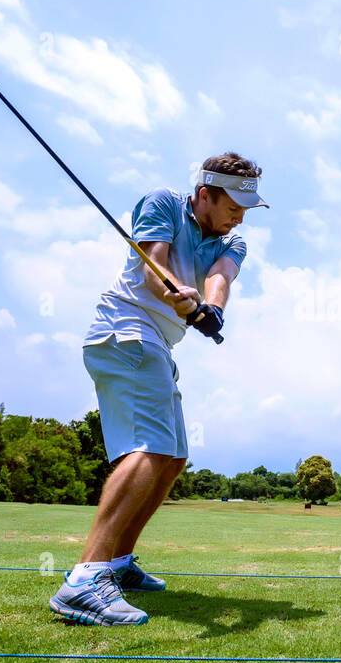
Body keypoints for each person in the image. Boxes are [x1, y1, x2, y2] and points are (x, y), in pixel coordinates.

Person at [48, 152, 267, 625]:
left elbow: (218, 279)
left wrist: (210, 309)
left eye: (247, 207)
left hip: (154, 345)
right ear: (205, 193)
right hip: (126, 329)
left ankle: (119, 564)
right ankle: (85, 580)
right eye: (233, 203)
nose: (240, 215)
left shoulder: (235, 242)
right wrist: (176, 295)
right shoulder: (163, 203)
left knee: (172, 458)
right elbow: (154, 272)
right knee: (149, 449)